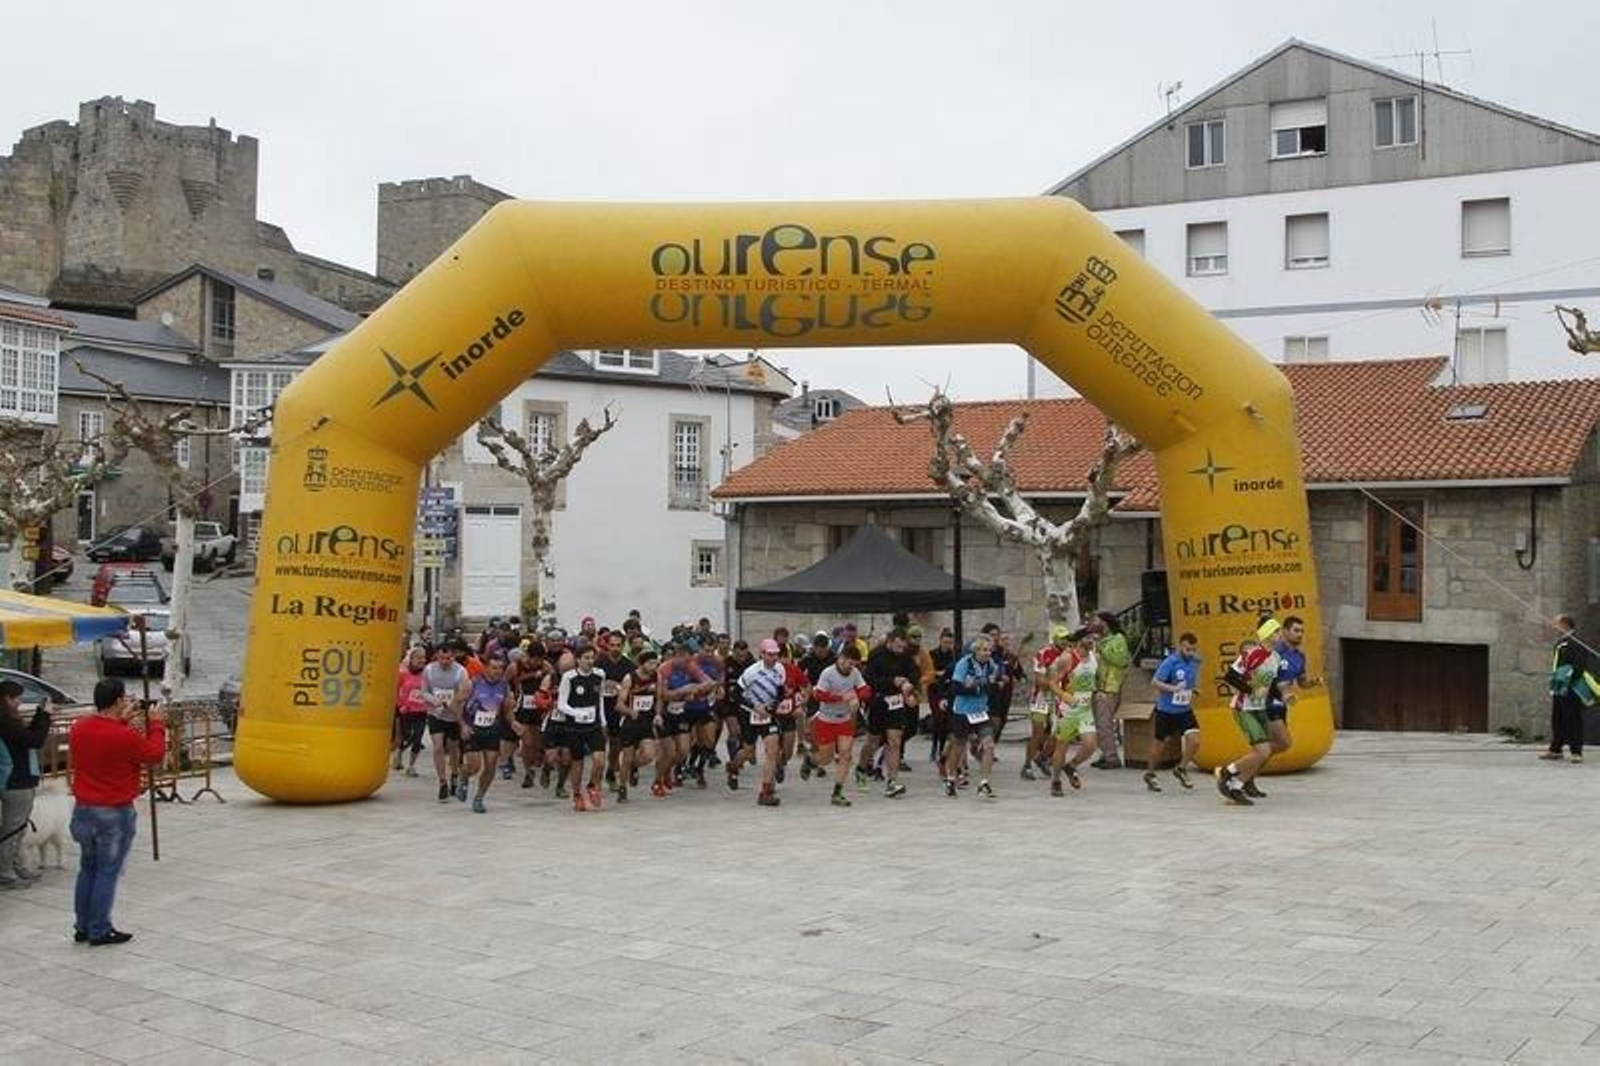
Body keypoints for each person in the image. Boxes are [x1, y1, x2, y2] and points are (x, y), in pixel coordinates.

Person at [68, 679, 165, 945]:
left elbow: (106, 743)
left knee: (87, 868)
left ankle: (83, 925)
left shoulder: (80, 727)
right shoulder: (124, 735)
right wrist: (156, 723)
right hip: (113, 811)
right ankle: (99, 928)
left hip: (83, 810)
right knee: (107, 872)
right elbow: (154, 753)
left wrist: (122, 721)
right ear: (119, 701)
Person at [1215, 621, 1282, 806]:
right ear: (1267, 633)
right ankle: (1227, 772)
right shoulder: (1251, 654)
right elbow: (1229, 676)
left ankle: (1236, 786)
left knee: (1262, 753)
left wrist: (1284, 697)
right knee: (1263, 751)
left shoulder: (1275, 657)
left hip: (1259, 709)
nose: (1280, 633)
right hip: (1243, 708)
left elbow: (1271, 684)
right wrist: (1251, 691)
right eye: (1276, 630)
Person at [0, 679, 50, 888]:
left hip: (18, 779)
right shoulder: (4, 722)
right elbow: (35, 740)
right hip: (15, 781)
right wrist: (45, 715)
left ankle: (16, 867)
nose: (20, 702)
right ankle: (6, 874)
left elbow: (27, 737)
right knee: (12, 830)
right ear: (7, 699)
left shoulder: (8, 721)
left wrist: (40, 715)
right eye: (17, 698)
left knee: (18, 828)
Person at [859, 629, 919, 799]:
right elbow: (869, 680)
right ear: (890, 642)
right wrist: (891, 681)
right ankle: (861, 768)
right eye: (898, 646)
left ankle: (892, 782)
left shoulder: (905, 655)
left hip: (897, 702)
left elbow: (914, 672)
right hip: (878, 701)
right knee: (873, 741)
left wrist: (909, 685)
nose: (901, 650)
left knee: (895, 741)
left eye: (903, 647)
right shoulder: (876, 654)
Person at [811, 646, 868, 806]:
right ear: (841, 658)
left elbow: (866, 690)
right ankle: (811, 761)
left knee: (846, 754)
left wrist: (857, 696)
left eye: (854, 665)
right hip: (826, 720)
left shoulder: (855, 673)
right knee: (825, 759)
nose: (851, 668)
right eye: (849, 664)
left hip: (844, 720)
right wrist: (841, 697)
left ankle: (837, 791)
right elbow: (819, 695)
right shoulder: (828, 673)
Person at [737, 638, 790, 807]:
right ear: (762, 654)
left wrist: (772, 705)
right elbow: (735, 694)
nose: (774, 658)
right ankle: (733, 766)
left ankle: (765, 791)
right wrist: (755, 706)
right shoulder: (751, 672)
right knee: (748, 752)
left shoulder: (780, 669)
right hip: (749, 714)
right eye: (770, 654)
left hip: (767, 714)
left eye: (776, 654)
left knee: (772, 751)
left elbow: (781, 692)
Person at [944, 636, 999, 798]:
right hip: (962, 711)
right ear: (975, 650)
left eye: (990, 650)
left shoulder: (991, 665)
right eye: (984, 650)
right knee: (959, 746)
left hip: (981, 711)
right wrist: (978, 688)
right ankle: (951, 778)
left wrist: (978, 686)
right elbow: (956, 688)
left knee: (988, 745)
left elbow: (992, 686)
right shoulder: (964, 663)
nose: (987, 653)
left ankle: (984, 783)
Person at [1147, 632, 1202, 792]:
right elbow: (1155, 682)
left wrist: (1193, 689)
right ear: (1180, 646)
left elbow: (1188, 681)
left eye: (1193, 649)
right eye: (1187, 649)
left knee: (1195, 741)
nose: (1190, 653)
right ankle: (1150, 773)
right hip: (1167, 710)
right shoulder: (1170, 662)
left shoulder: (1195, 661)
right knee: (1160, 745)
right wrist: (1173, 688)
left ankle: (1181, 768)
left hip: (1184, 709)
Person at [461, 653, 515, 812]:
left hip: (492, 729)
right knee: (474, 766)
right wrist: (462, 725)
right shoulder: (472, 683)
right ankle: (463, 777)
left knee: (491, 766)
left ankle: (479, 798)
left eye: (500, 668)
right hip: (473, 729)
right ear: (485, 668)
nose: (498, 671)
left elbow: (507, 709)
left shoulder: (504, 685)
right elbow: (456, 704)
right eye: (494, 668)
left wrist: (513, 722)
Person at [1048, 628, 1099, 796]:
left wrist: (1100, 692)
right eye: (1089, 637)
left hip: (1085, 709)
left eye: (1093, 637)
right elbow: (1052, 683)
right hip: (1067, 710)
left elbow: (1093, 679)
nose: (1092, 640)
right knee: (1062, 746)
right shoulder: (1068, 658)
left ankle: (1071, 766)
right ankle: (1055, 780)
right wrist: (1064, 695)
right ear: (1080, 639)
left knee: (1090, 745)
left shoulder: (1094, 657)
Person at [556, 644, 606, 811]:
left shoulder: (600, 675)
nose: (590, 661)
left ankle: (592, 785)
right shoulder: (569, 677)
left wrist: (603, 721)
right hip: (575, 727)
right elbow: (561, 704)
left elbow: (600, 699)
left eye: (592, 658)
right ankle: (577, 794)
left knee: (600, 760)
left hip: (594, 724)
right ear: (578, 660)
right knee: (577, 763)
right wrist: (576, 713)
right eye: (586, 658)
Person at [423, 644, 471, 802]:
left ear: (454, 657)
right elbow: (423, 691)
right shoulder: (429, 670)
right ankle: (442, 781)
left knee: (453, 747)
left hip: (454, 714)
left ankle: (454, 774)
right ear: (437, 656)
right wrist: (433, 700)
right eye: (442, 658)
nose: (445, 661)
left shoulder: (461, 672)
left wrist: (454, 704)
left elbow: (464, 693)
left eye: (449, 658)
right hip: (435, 713)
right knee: (437, 747)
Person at [615, 648, 663, 802]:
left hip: (647, 721)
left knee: (649, 755)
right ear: (642, 664)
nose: (653, 666)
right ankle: (622, 788)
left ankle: (634, 766)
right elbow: (619, 705)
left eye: (655, 663)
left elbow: (659, 698)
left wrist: (658, 714)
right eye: (650, 663)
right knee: (627, 758)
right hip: (630, 722)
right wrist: (630, 712)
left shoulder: (657, 676)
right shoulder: (630, 678)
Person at [1025, 625, 1072, 781]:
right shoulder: (1043, 653)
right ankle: (1027, 765)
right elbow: (1040, 680)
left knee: (1058, 734)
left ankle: (1042, 758)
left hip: (1059, 697)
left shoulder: (1069, 655)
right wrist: (1055, 679)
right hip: (1041, 698)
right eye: (1062, 638)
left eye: (1067, 638)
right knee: (1037, 734)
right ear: (1055, 639)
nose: (1065, 641)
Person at [1543, 613, 1588, 764]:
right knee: (1558, 718)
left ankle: (1576, 752)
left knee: (1573, 719)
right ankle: (1556, 749)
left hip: (1571, 687)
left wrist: (1567, 677)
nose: (1554, 626)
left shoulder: (1576, 642)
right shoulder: (1561, 642)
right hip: (1559, 686)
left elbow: (1579, 666)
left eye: (1556, 623)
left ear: (1564, 624)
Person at [1091, 610, 1131, 769]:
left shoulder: (1118, 639)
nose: (1094, 624)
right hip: (1099, 686)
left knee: (1104, 723)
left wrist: (1101, 648)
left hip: (1110, 687)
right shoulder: (1101, 640)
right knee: (1100, 723)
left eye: (1097, 621)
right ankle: (1105, 753)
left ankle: (1112, 757)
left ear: (1105, 624)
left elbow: (1120, 660)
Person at [393, 646, 430, 777]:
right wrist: (400, 705)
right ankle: (399, 753)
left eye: (424, 658)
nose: (422, 660)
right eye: (418, 658)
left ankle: (412, 766)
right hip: (406, 710)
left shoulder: (427, 673)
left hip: (421, 710)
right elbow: (395, 691)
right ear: (411, 659)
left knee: (418, 739)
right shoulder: (403, 673)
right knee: (406, 737)